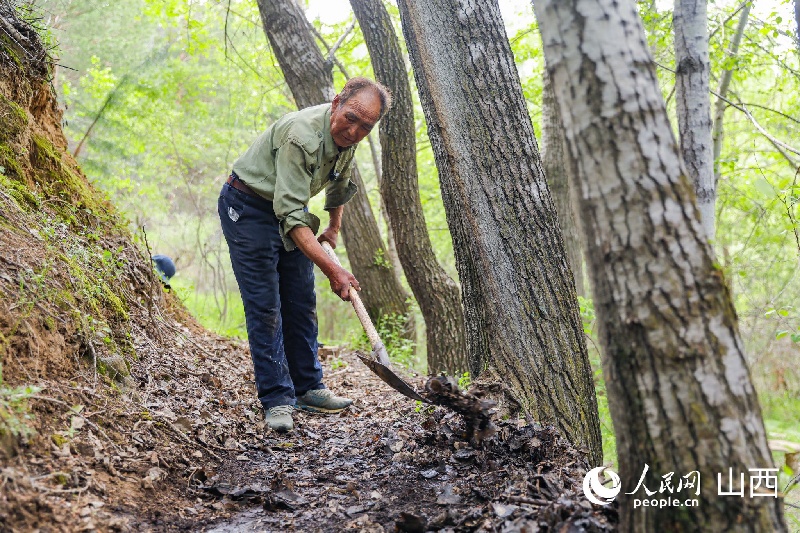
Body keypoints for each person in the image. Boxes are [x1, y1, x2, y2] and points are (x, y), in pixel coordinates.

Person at [218, 77, 392, 432]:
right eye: (352, 118)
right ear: (336, 101)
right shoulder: (301, 136)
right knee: (266, 305)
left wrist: (333, 229)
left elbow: (339, 186)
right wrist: (333, 270)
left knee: (300, 300)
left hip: (288, 211)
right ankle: (277, 400)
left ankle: (309, 388)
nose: (355, 130)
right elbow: (293, 218)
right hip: (248, 207)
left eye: (366, 126)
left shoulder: (350, 136)